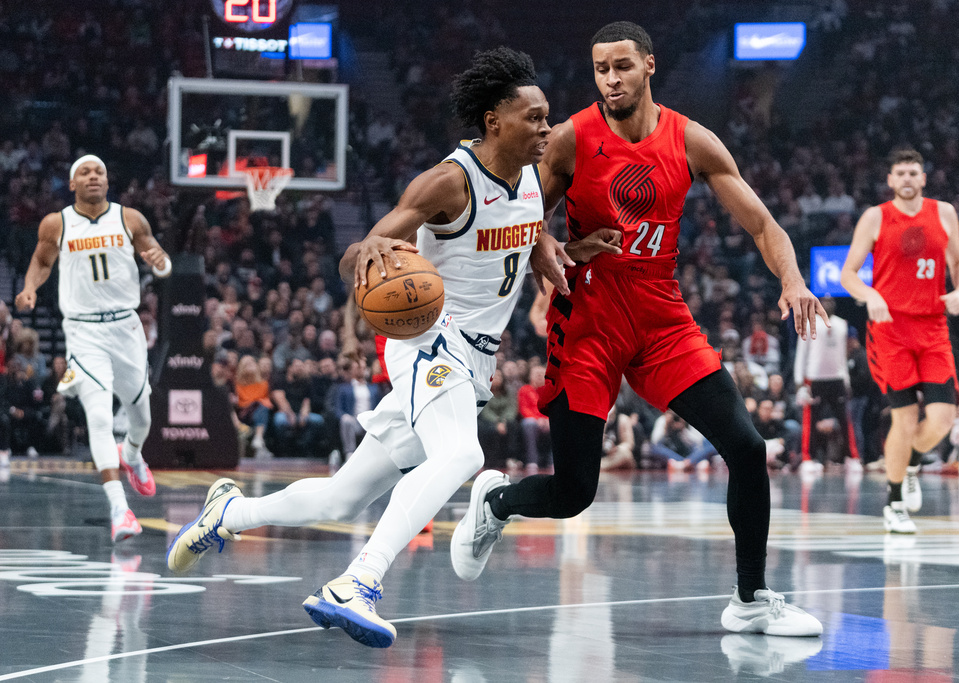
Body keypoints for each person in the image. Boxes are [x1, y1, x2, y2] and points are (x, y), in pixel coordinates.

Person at [166, 47, 554, 648]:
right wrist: (363, 256)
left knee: (343, 496)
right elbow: (365, 248)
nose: (546, 127)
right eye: (534, 117)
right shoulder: (449, 181)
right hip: (430, 335)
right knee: (461, 457)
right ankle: (358, 583)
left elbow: (531, 236)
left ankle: (228, 514)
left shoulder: (531, 174)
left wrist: (564, 257)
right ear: (494, 121)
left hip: (475, 353)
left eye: (548, 116)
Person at [451, 22, 825, 637]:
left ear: (650, 65)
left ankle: (751, 600)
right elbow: (520, 217)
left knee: (748, 448)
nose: (610, 79)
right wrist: (556, 245)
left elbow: (763, 225)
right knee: (575, 493)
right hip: (589, 320)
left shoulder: (693, 141)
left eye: (622, 66)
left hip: (660, 320)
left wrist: (794, 281)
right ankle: (496, 503)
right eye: (600, 69)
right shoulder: (570, 138)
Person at [15, 154, 168, 541]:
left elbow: (161, 261)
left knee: (142, 418)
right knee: (98, 417)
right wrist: (31, 287)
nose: (93, 176)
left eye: (99, 170)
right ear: (72, 184)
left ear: (106, 179)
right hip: (83, 333)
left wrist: (160, 262)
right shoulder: (57, 223)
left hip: (126, 327)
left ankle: (131, 454)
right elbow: (41, 261)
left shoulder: (130, 218)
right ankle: (120, 509)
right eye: (85, 172)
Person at [840, 148, 959, 533]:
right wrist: (871, 295)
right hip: (890, 331)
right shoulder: (875, 217)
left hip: (933, 327)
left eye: (914, 172)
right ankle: (894, 502)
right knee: (905, 415)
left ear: (924, 178)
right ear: (891, 180)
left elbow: (958, 263)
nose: (908, 178)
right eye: (901, 173)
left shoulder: (943, 213)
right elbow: (848, 274)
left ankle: (910, 457)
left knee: (944, 418)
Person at [793, 298, 860, 472]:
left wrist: (846, 380)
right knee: (810, 421)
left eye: (831, 302)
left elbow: (842, 356)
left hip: (837, 378)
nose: (828, 304)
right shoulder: (808, 324)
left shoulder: (842, 325)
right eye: (824, 302)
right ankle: (808, 459)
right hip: (814, 378)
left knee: (845, 421)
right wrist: (800, 383)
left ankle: (852, 458)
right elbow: (801, 354)